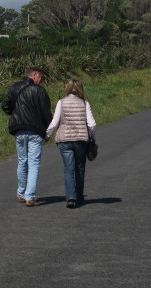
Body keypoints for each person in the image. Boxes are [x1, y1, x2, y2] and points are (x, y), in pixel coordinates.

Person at [2, 66, 52, 207]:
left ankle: (21, 192)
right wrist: (48, 129)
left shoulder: (14, 87)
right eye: (40, 77)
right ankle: (30, 196)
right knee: (33, 163)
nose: (41, 80)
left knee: (22, 161)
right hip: (35, 130)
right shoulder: (40, 91)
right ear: (34, 75)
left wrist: (15, 113)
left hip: (18, 129)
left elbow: (5, 106)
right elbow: (46, 113)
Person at [46, 78, 96, 209]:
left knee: (68, 169)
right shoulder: (85, 103)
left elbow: (54, 122)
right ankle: (79, 196)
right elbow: (91, 124)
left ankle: (71, 197)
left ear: (67, 89)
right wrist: (92, 138)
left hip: (65, 140)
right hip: (81, 140)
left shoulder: (61, 102)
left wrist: (46, 135)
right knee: (80, 168)